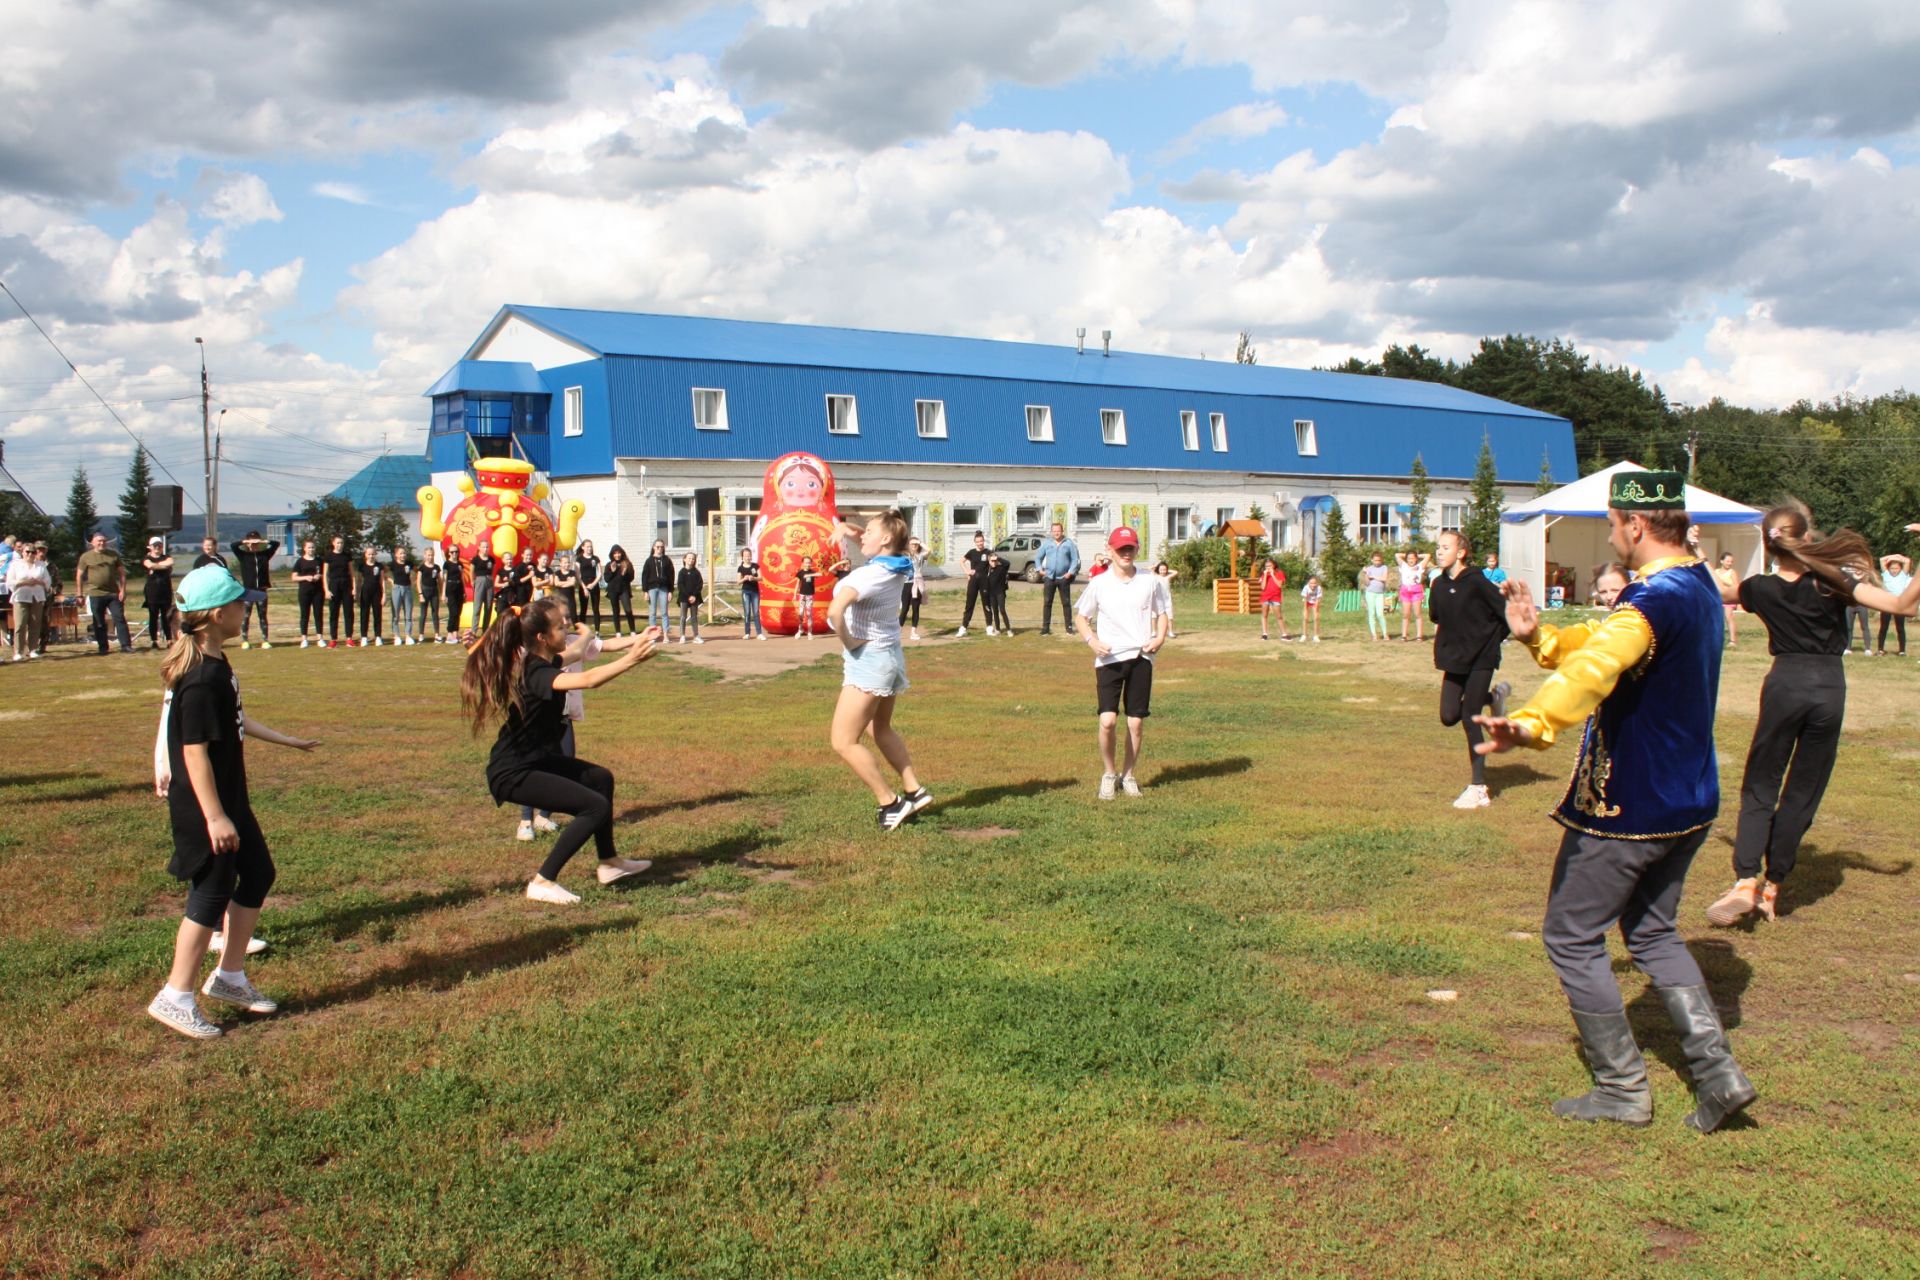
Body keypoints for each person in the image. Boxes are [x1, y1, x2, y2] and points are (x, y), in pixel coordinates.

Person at [1474, 470, 1754, 1134]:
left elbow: (1599, 667)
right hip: (1691, 803)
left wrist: (1535, 723)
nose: (1610, 534)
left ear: (1634, 525)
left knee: (1570, 936)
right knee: (1652, 932)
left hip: (1631, 807)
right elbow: (1605, 645)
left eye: (1610, 524)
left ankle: (1621, 1087)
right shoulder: (1697, 589)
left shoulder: (1649, 601)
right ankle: (1720, 1079)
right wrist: (1537, 637)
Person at [1704, 502, 1920, 927]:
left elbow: (1716, 593)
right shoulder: (1832, 582)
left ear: (1769, 544)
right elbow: (1903, 607)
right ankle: (1772, 888)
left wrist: (1688, 556)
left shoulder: (1759, 588)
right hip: (1828, 689)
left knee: (1761, 785)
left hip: (1784, 683)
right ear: (1806, 537)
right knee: (1803, 789)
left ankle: (1746, 879)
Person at [145, 566, 318, 1039]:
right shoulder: (200, 679)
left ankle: (229, 977)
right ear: (218, 614)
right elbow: (193, 751)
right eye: (241, 604)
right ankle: (175, 996)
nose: (248, 609)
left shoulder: (217, 666)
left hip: (228, 799)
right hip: (206, 806)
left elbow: (237, 721)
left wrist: (290, 741)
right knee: (211, 890)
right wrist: (216, 816)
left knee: (259, 872)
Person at [462, 596, 658, 903]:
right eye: (559, 625)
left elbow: (577, 651)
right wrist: (631, 659)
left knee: (601, 778)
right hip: (514, 771)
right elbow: (590, 680)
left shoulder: (545, 661)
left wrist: (587, 636)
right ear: (542, 637)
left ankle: (609, 863)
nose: (565, 626)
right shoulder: (538, 673)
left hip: (535, 759)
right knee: (594, 807)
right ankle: (543, 881)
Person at [828, 510, 932, 830]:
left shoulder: (865, 576)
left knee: (843, 741)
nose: (862, 536)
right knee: (879, 728)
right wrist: (851, 529)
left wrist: (850, 642)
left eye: (868, 531)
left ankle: (890, 802)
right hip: (890, 656)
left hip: (870, 660)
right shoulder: (900, 562)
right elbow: (877, 541)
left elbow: (834, 613)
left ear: (885, 538)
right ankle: (914, 790)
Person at [1074, 526, 1171, 800]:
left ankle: (1128, 775)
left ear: (1137, 549)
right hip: (1109, 659)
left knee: (1136, 723)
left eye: (1130, 548)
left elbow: (1162, 613)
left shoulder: (1150, 581)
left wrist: (1160, 638)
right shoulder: (1099, 583)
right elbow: (1081, 617)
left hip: (1141, 657)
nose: (1125, 553)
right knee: (1107, 720)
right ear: (1110, 550)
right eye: (1120, 549)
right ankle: (1108, 773)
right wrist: (1092, 641)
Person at [1428, 530, 1510, 810]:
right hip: (1455, 658)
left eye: (1445, 547)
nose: (1439, 552)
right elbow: (1436, 615)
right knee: (1448, 715)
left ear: (1461, 552)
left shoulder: (1478, 582)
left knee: (1469, 718)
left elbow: (1506, 612)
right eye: (1438, 547)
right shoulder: (1438, 584)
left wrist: (1492, 640)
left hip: (1481, 659)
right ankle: (1493, 698)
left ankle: (1478, 789)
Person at [76, 531, 134, 655]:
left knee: (119, 618)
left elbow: (122, 574)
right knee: (99, 621)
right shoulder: (86, 557)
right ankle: (103, 647)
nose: (102, 543)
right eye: (99, 541)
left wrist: (123, 590)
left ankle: (126, 645)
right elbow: (79, 575)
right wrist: (79, 594)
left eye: (103, 540)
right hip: (95, 593)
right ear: (92, 543)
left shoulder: (113, 555)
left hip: (113, 593)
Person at [229, 531, 278, 649]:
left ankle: (265, 640)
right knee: (246, 615)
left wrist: (262, 541)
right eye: (251, 541)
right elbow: (233, 546)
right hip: (248, 591)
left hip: (261, 590)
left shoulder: (265, 554)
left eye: (255, 541)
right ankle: (245, 640)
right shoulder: (243, 555)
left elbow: (276, 544)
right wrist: (246, 542)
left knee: (262, 615)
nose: (253, 544)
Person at [6, 540, 52, 661]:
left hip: (37, 597)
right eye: (28, 552)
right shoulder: (15, 564)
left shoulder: (41, 565)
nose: (30, 554)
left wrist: (39, 582)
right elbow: (10, 582)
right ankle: (18, 651)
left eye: (33, 552)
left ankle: (32, 649)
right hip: (21, 597)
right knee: (20, 624)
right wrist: (23, 582)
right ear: (23, 552)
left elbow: (47, 581)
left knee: (35, 624)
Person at [1036, 522, 1081, 635]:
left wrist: (1070, 573)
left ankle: (1069, 628)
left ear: (1062, 531)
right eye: (1054, 531)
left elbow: (1075, 559)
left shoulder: (1069, 543)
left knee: (1066, 603)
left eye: (1058, 531)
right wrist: (1039, 569)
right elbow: (1038, 557)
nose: (1056, 533)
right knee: (1047, 603)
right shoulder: (1047, 543)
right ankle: (1045, 629)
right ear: (1052, 532)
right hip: (1049, 578)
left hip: (1063, 578)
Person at [141, 537, 176, 648]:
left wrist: (156, 566)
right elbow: (149, 565)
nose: (157, 547)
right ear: (150, 547)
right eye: (155, 545)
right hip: (152, 592)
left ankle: (169, 639)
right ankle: (154, 640)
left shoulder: (167, 556)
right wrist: (163, 566)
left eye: (159, 545)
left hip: (165, 591)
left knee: (167, 616)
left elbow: (171, 562)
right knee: (153, 616)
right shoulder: (147, 557)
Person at [321, 535, 355, 648]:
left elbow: (352, 573)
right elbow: (325, 574)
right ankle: (333, 639)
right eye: (338, 543)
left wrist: (354, 588)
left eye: (341, 543)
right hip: (334, 586)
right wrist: (326, 590)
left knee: (348, 613)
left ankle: (349, 638)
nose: (340, 545)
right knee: (333, 613)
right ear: (333, 543)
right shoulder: (328, 556)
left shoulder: (347, 556)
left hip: (346, 586)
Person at [1877, 553, 1911, 658]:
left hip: (1898, 603)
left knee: (1900, 628)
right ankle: (1880, 649)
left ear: (1900, 568)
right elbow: (1881, 559)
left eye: (1896, 568)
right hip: (1887, 603)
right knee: (1883, 627)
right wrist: (1892, 557)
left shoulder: (1903, 574)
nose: (1894, 570)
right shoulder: (1886, 574)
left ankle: (1902, 651)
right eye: (1892, 568)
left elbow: (1907, 561)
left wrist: (1897, 556)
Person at [956, 531, 990, 636]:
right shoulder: (971, 552)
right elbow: (961, 561)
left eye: (981, 541)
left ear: (984, 541)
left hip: (984, 581)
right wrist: (967, 572)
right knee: (969, 604)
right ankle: (963, 627)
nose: (980, 543)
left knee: (986, 604)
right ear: (975, 542)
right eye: (978, 541)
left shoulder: (988, 552)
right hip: (973, 581)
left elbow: (995, 562)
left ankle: (989, 627)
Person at [291, 540, 323, 647]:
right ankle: (304, 639)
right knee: (305, 615)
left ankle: (320, 638)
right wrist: (305, 577)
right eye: (309, 547)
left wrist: (319, 576)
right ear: (304, 548)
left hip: (318, 591)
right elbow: (294, 577)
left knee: (318, 614)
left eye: (313, 547)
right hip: (304, 591)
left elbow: (325, 573)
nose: (311, 549)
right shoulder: (300, 561)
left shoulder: (319, 560)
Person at [641, 540, 674, 637]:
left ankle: (665, 634)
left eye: (661, 547)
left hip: (664, 588)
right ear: (653, 547)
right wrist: (645, 591)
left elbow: (671, 576)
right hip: (652, 588)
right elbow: (645, 576)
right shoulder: (649, 560)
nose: (660, 549)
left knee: (664, 612)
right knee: (652, 612)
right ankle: (652, 634)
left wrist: (670, 591)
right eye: (658, 547)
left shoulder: (667, 560)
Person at [354, 546, 386, 646]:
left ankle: (378, 637)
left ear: (375, 554)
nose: (371, 556)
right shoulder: (362, 566)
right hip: (365, 592)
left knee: (377, 615)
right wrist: (357, 594)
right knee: (364, 615)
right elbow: (359, 581)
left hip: (377, 593)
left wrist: (384, 594)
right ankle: (364, 637)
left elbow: (382, 580)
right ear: (365, 555)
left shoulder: (379, 566)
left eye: (373, 554)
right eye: (369, 554)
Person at [895, 537, 925, 641]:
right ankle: (897, 632)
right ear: (909, 545)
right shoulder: (905, 556)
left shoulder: (921, 556)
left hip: (917, 584)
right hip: (907, 584)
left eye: (916, 545)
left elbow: (929, 550)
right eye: (912, 544)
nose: (914, 546)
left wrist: (919, 542)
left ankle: (913, 632)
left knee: (915, 609)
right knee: (905, 609)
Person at [1397, 549, 1431, 641]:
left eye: (1413, 558)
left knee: (1417, 614)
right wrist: (1407, 554)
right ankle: (1404, 635)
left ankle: (1419, 635)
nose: (1411, 560)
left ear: (1416, 559)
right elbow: (1397, 555)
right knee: (1405, 614)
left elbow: (1428, 556)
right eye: (1409, 558)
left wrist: (1417, 555)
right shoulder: (1403, 565)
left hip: (1416, 592)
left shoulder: (1420, 566)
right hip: (1405, 592)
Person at [602, 545, 636, 635]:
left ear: (622, 553)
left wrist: (624, 573)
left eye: (619, 553)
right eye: (615, 553)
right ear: (612, 554)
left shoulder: (627, 563)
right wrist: (612, 571)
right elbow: (606, 579)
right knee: (615, 611)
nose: (617, 555)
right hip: (613, 590)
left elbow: (631, 578)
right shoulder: (609, 565)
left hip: (624, 589)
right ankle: (618, 631)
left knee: (628, 610)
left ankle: (632, 630)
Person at [386, 544, 416, 645]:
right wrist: (391, 581)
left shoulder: (409, 564)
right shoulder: (392, 564)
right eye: (401, 553)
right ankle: (397, 636)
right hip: (397, 589)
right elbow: (384, 573)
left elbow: (417, 571)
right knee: (396, 615)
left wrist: (413, 580)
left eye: (404, 553)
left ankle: (408, 635)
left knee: (408, 614)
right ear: (396, 555)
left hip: (407, 589)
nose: (403, 555)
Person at [1712, 552, 1741, 648]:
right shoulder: (1715, 572)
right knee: (1716, 619)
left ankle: (1733, 640)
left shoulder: (1732, 572)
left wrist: (1723, 582)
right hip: (1717, 598)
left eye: (1731, 561)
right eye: (1728, 561)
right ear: (1721, 561)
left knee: (1729, 617)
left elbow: (1736, 586)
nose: (1730, 563)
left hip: (1728, 599)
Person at [1362, 552, 1391, 641]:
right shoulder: (1369, 569)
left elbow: (1384, 578)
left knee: (1380, 614)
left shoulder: (1384, 567)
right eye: (1375, 560)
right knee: (1372, 613)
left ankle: (1385, 634)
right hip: (1370, 593)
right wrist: (1366, 574)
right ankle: (1374, 634)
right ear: (1372, 560)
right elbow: (1367, 582)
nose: (1377, 562)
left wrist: (1373, 576)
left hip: (1380, 593)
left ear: (1381, 560)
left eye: (1379, 560)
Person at [676, 552, 705, 644]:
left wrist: (694, 595)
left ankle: (696, 636)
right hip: (684, 598)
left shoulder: (696, 572)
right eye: (689, 558)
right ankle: (682, 636)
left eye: (693, 559)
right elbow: (680, 585)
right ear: (684, 559)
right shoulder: (681, 572)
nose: (691, 560)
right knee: (683, 616)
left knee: (694, 617)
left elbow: (700, 584)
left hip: (694, 598)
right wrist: (688, 596)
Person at [1258, 557, 1289, 641]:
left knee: (1279, 616)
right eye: (1266, 566)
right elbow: (1263, 587)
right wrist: (1264, 575)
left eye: (1270, 565)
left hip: (1275, 597)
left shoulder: (1279, 573)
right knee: (1264, 615)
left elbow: (1279, 585)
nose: (1268, 567)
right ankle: (1264, 634)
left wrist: (1272, 575)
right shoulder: (1263, 574)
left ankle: (1284, 634)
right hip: (1265, 597)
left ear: (1274, 565)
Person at [416, 546, 443, 643]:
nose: (430, 557)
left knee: (435, 613)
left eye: (432, 555)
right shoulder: (422, 567)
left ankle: (437, 635)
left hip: (434, 591)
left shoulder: (436, 567)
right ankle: (421, 635)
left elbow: (440, 581)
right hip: (425, 591)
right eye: (428, 555)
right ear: (425, 556)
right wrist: (420, 594)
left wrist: (441, 593)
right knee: (423, 614)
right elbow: (418, 582)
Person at [576, 539, 603, 633]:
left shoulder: (595, 559)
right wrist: (584, 588)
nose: (589, 548)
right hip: (583, 586)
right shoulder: (579, 559)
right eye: (587, 546)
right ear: (583, 547)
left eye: (590, 546)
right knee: (583, 609)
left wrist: (593, 584)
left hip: (594, 585)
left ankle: (597, 632)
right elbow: (578, 575)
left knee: (596, 609)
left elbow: (600, 574)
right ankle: (582, 632)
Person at [739, 547, 765, 640]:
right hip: (745, 591)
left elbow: (761, 578)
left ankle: (759, 633)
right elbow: (738, 581)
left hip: (755, 592)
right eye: (746, 556)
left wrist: (753, 578)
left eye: (749, 555)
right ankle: (747, 633)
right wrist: (744, 578)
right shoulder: (741, 568)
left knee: (756, 612)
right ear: (742, 557)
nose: (748, 557)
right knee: (747, 612)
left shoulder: (755, 566)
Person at [985, 550, 1013, 636]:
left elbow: (1008, 563)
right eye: (991, 561)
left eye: (995, 561)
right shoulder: (988, 570)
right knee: (995, 611)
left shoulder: (1001, 568)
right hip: (991, 594)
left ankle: (1009, 630)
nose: (993, 562)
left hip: (1000, 592)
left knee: (1002, 610)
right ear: (989, 561)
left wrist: (997, 558)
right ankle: (997, 629)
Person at [470, 547, 497, 634]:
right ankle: (474, 631)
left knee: (488, 606)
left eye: (487, 547)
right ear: (480, 548)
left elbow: (493, 570)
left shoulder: (491, 559)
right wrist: (472, 581)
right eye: (484, 547)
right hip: (479, 580)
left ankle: (485, 631)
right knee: (477, 607)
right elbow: (471, 571)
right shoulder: (475, 559)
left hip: (489, 580)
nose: (485, 549)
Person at [443, 549, 467, 643]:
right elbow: (444, 579)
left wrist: (464, 591)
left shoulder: (460, 564)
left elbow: (462, 578)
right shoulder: (447, 564)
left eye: (456, 552)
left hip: (459, 588)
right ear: (448, 553)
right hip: (450, 588)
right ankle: (449, 633)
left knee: (459, 612)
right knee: (453, 612)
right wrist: (443, 593)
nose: (454, 554)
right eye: (452, 552)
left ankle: (455, 633)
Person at [1154, 560, 1181, 638]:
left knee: (1170, 616)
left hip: (1167, 600)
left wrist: (1166, 569)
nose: (1163, 571)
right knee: (1158, 616)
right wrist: (1157, 566)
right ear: (1158, 570)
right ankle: (1156, 632)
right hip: (1158, 600)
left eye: (1164, 570)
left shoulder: (1167, 577)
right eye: (1161, 570)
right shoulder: (1156, 576)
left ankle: (1171, 632)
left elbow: (1175, 572)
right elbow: (1149, 569)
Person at [795, 556, 818, 637]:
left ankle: (810, 632)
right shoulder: (800, 572)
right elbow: (797, 584)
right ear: (803, 563)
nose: (807, 564)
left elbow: (820, 574)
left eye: (809, 562)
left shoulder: (812, 572)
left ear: (811, 563)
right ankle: (800, 629)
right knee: (800, 613)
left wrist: (810, 575)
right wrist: (795, 595)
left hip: (810, 596)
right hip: (802, 595)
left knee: (809, 613)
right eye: (806, 562)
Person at [1300, 574, 1323, 642]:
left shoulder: (1319, 588)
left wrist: (1316, 608)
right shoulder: (1306, 588)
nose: (1313, 585)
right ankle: (1304, 635)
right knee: (1305, 618)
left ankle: (1315, 636)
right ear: (1308, 583)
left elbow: (1318, 599)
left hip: (1315, 602)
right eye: (1311, 583)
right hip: (1307, 602)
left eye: (1314, 583)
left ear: (1317, 583)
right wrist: (1305, 609)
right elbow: (1305, 598)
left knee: (1316, 618)